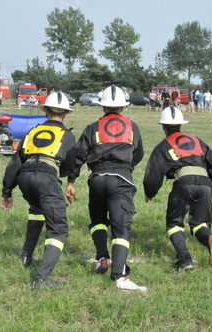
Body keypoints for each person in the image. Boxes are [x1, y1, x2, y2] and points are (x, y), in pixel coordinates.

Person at [64, 85, 147, 292]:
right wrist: (127, 167)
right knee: (121, 227)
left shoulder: (93, 127)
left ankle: (102, 256)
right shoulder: (132, 126)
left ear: (102, 107)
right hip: (121, 179)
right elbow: (139, 153)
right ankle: (119, 276)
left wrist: (71, 181)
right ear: (123, 106)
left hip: (97, 178)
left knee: (98, 221)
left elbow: (78, 155)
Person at [0, 92, 76, 290]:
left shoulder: (32, 131)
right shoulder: (67, 135)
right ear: (66, 114)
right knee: (58, 230)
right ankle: (41, 279)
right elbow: (69, 165)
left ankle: (26, 256)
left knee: (36, 210)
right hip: (47, 179)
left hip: (25, 177)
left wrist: (7, 192)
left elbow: (15, 162)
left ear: (45, 111)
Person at [143, 106, 212, 270]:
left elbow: (154, 172)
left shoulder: (164, 145)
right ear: (181, 125)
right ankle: (209, 237)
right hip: (205, 183)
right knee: (200, 224)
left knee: (174, 224)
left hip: (183, 183)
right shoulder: (197, 141)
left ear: (163, 127)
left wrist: (150, 192)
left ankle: (185, 260)